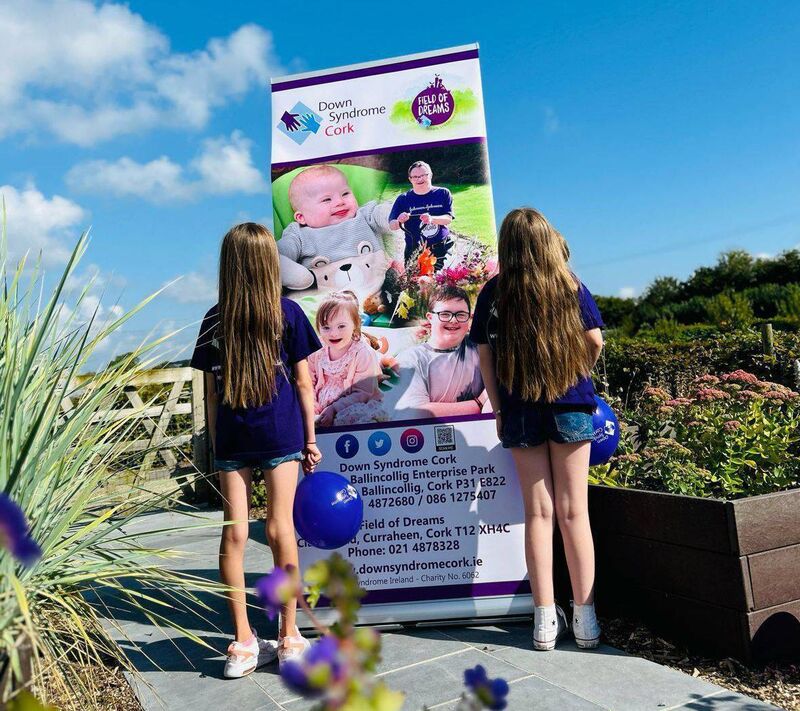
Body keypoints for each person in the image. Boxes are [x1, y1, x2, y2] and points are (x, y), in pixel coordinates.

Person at [190, 223, 322, 678]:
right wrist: (309, 439)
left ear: (228, 267)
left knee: (234, 535)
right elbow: (304, 383)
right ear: (270, 264)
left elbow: (209, 393)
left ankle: (243, 644)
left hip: (231, 439)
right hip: (280, 434)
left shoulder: (213, 319)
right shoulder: (287, 313)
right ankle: (288, 638)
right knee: (281, 527)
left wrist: (214, 444)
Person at [470, 208, 605, 651]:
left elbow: (484, 354)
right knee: (574, 513)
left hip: (520, 409)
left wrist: (497, 404)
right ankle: (586, 620)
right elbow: (594, 341)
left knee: (538, 514)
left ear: (507, 246)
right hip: (571, 403)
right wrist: (573, 373)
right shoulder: (568, 283)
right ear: (548, 240)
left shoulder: (493, 292)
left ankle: (544, 620)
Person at [277, 164, 391, 293]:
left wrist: (395, 214)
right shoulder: (298, 234)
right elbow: (275, 255)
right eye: (326, 199)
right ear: (301, 217)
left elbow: (385, 214)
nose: (340, 202)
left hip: (380, 291)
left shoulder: (364, 215)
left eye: (345, 193)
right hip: (324, 301)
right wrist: (299, 277)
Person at [395, 285, 486, 417]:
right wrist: (479, 403)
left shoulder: (481, 349)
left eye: (461, 315)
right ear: (430, 317)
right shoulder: (411, 359)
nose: (453, 320)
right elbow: (417, 413)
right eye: (445, 314)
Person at [308, 291, 387, 426]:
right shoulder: (317, 350)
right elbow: (308, 381)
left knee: (354, 418)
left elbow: (363, 392)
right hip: (320, 407)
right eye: (326, 327)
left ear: (355, 324)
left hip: (353, 402)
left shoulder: (362, 353)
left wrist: (334, 409)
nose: (333, 333)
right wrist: (312, 406)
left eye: (341, 326)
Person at [388, 161, 454, 270]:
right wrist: (399, 221)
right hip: (414, 250)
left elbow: (448, 219)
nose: (419, 179)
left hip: (440, 247)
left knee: (442, 283)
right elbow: (392, 225)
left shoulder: (443, 193)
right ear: (410, 179)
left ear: (430, 175)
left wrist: (432, 219)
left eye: (423, 175)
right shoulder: (403, 199)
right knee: (414, 284)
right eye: (415, 177)